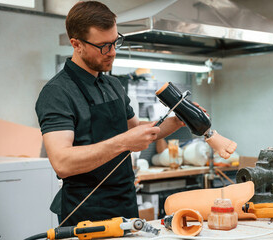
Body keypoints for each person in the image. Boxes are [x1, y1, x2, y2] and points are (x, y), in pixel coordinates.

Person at [35, 1, 185, 226]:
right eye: (104, 46)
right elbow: (62, 162)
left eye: (115, 42)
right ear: (76, 44)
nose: (113, 52)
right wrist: (124, 142)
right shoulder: (57, 92)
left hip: (125, 203)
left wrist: (177, 120)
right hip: (84, 212)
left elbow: (137, 132)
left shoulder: (113, 85)